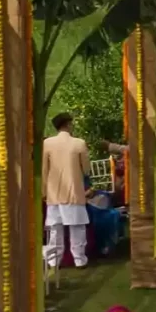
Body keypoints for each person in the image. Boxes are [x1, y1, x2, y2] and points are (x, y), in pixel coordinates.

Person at [41, 113, 92, 270]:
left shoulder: (47, 143)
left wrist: (44, 191)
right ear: (68, 124)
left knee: (55, 229)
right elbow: (86, 169)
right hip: (73, 192)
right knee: (77, 228)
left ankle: (53, 260)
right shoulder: (79, 143)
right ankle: (79, 259)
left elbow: (44, 170)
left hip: (53, 193)